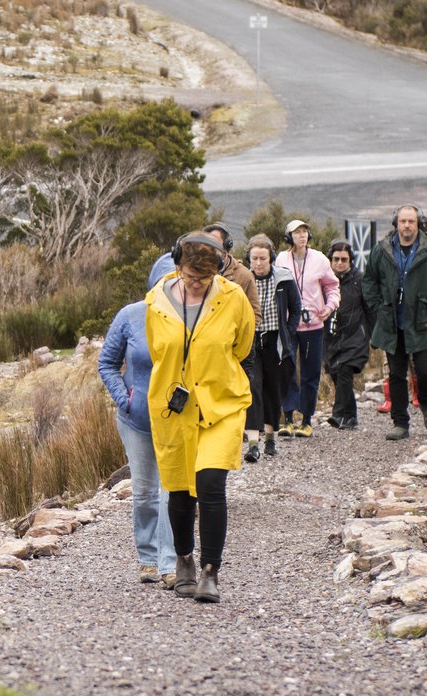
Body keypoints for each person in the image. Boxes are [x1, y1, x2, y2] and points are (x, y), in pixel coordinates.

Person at [142, 233, 254, 602]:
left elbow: (243, 345)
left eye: (205, 279)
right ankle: (184, 560)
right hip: (174, 408)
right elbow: (159, 351)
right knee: (178, 490)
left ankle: (211, 571)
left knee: (209, 485)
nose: (197, 284)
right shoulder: (156, 301)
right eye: (191, 276)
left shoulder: (232, 299)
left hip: (221, 404)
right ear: (178, 266)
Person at [98, 299, 175, 586]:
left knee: (173, 492)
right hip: (137, 422)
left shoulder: (192, 316)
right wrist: (125, 399)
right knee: (144, 492)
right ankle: (148, 559)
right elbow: (107, 363)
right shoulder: (130, 315)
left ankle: (170, 563)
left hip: (177, 421)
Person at [363, 205, 427, 440]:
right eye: (403, 221)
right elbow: (369, 281)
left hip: (422, 320)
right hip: (392, 322)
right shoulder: (382, 250)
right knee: (396, 373)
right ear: (396, 223)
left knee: (424, 370)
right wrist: (378, 308)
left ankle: (426, 405)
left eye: (411, 221)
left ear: (418, 223)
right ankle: (400, 422)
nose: (406, 226)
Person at [275, 220, 340, 434]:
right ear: (288, 237)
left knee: (310, 373)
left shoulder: (320, 259)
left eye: (304, 232)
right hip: (288, 326)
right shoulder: (282, 259)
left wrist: (330, 307)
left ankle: (307, 420)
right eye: (296, 232)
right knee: (287, 370)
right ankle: (288, 417)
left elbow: (332, 286)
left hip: (313, 325)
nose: (302, 236)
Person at [243, 235, 298, 462]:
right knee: (253, 388)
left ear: (271, 258)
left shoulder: (284, 279)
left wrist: (290, 332)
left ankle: (271, 438)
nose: (258, 263)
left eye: (262, 258)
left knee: (273, 390)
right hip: (251, 341)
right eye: (254, 258)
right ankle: (253, 444)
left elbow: (296, 309)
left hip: (275, 341)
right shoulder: (244, 281)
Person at [324, 240, 369, 430]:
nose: (339, 263)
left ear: (351, 260)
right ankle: (351, 416)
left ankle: (338, 413)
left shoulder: (360, 280)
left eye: (344, 259)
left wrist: (374, 335)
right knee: (336, 373)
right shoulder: (325, 280)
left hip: (355, 336)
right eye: (336, 259)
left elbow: (370, 308)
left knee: (344, 370)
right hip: (332, 337)